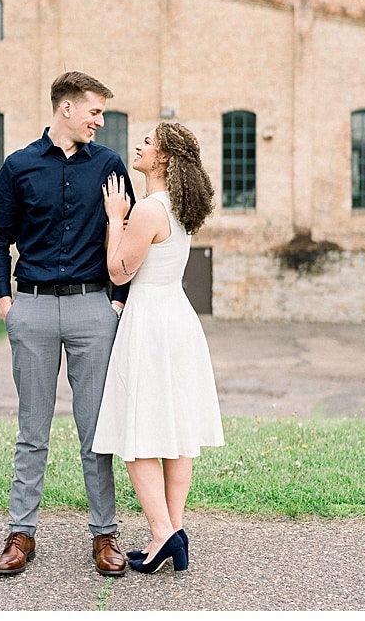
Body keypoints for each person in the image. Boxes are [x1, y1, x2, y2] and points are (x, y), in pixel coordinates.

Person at [0, 71, 136, 577]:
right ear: (65, 108)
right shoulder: (19, 166)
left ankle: (105, 533)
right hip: (32, 309)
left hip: (93, 308)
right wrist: (8, 304)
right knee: (33, 429)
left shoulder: (111, 166)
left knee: (96, 428)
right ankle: (21, 532)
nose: (100, 121)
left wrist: (115, 303)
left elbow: (130, 235)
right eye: (94, 111)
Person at [93, 122, 225, 573]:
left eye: (148, 142)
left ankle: (162, 533)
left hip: (150, 321)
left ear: (164, 158)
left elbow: (118, 272)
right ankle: (171, 534)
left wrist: (115, 218)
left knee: (139, 434)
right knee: (175, 432)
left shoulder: (149, 209)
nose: (140, 145)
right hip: (178, 319)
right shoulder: (180, 207)